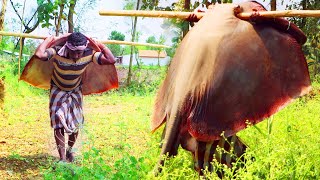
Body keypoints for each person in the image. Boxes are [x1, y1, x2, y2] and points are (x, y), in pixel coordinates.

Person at [34, 32, 116, 162]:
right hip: (57, 89)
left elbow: (111, 60)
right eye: (74, 52)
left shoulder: (89, 54)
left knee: (76, 124)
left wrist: (100, 45)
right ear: (67, 47)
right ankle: (62, 159)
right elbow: (39, 54)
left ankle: (69, 151)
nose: (77, 55)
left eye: (80, 52)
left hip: (75, 90)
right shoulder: (57, 51)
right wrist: (50, 40)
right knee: (58, 124)